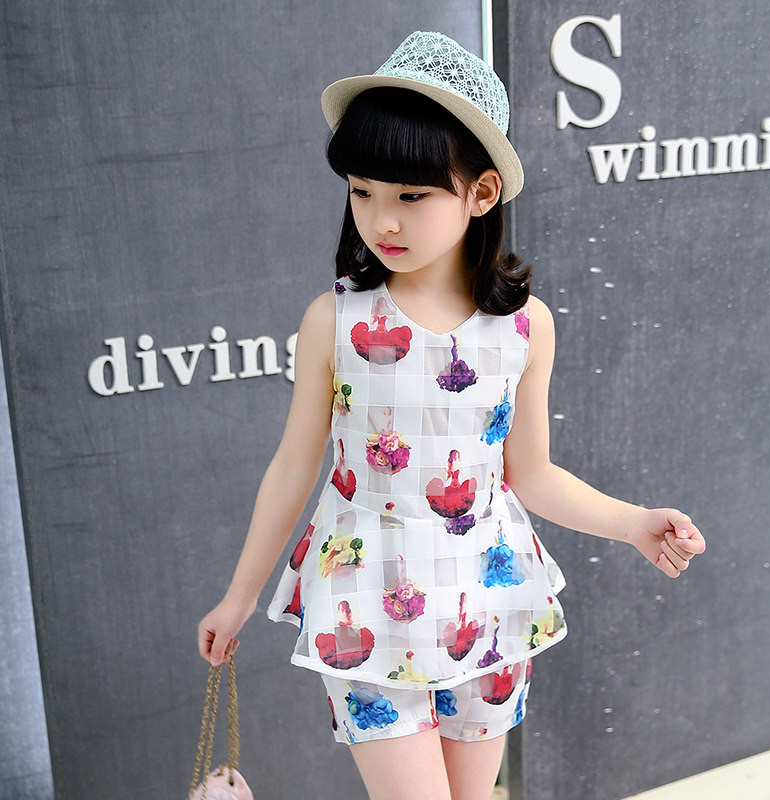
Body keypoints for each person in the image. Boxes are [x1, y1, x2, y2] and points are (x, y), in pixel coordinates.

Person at [197, 31, 706, 800]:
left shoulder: (526, 327)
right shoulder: (333, 322)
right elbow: (294, 465)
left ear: (482, 193)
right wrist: (240, 597)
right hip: (365, 597)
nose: (381, 220)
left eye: (411, 196)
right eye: (362, 191)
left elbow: (531, 475)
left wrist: (635, 524)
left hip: (488, 598)